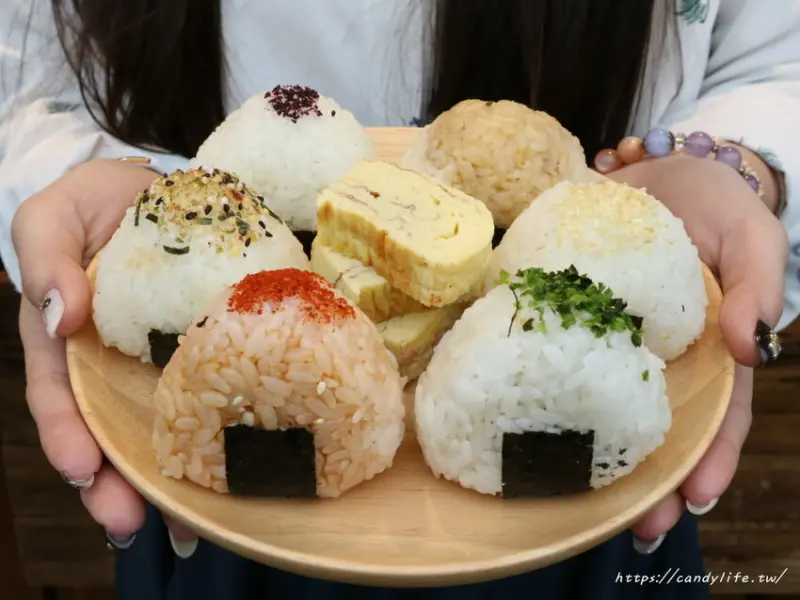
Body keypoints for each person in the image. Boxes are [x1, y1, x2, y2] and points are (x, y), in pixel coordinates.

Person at [1, 0, 798, 598]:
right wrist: (79, 197)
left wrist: (735, 166)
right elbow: (28, 69)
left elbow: (776, 61)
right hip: (207, 483)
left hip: (604, 484)